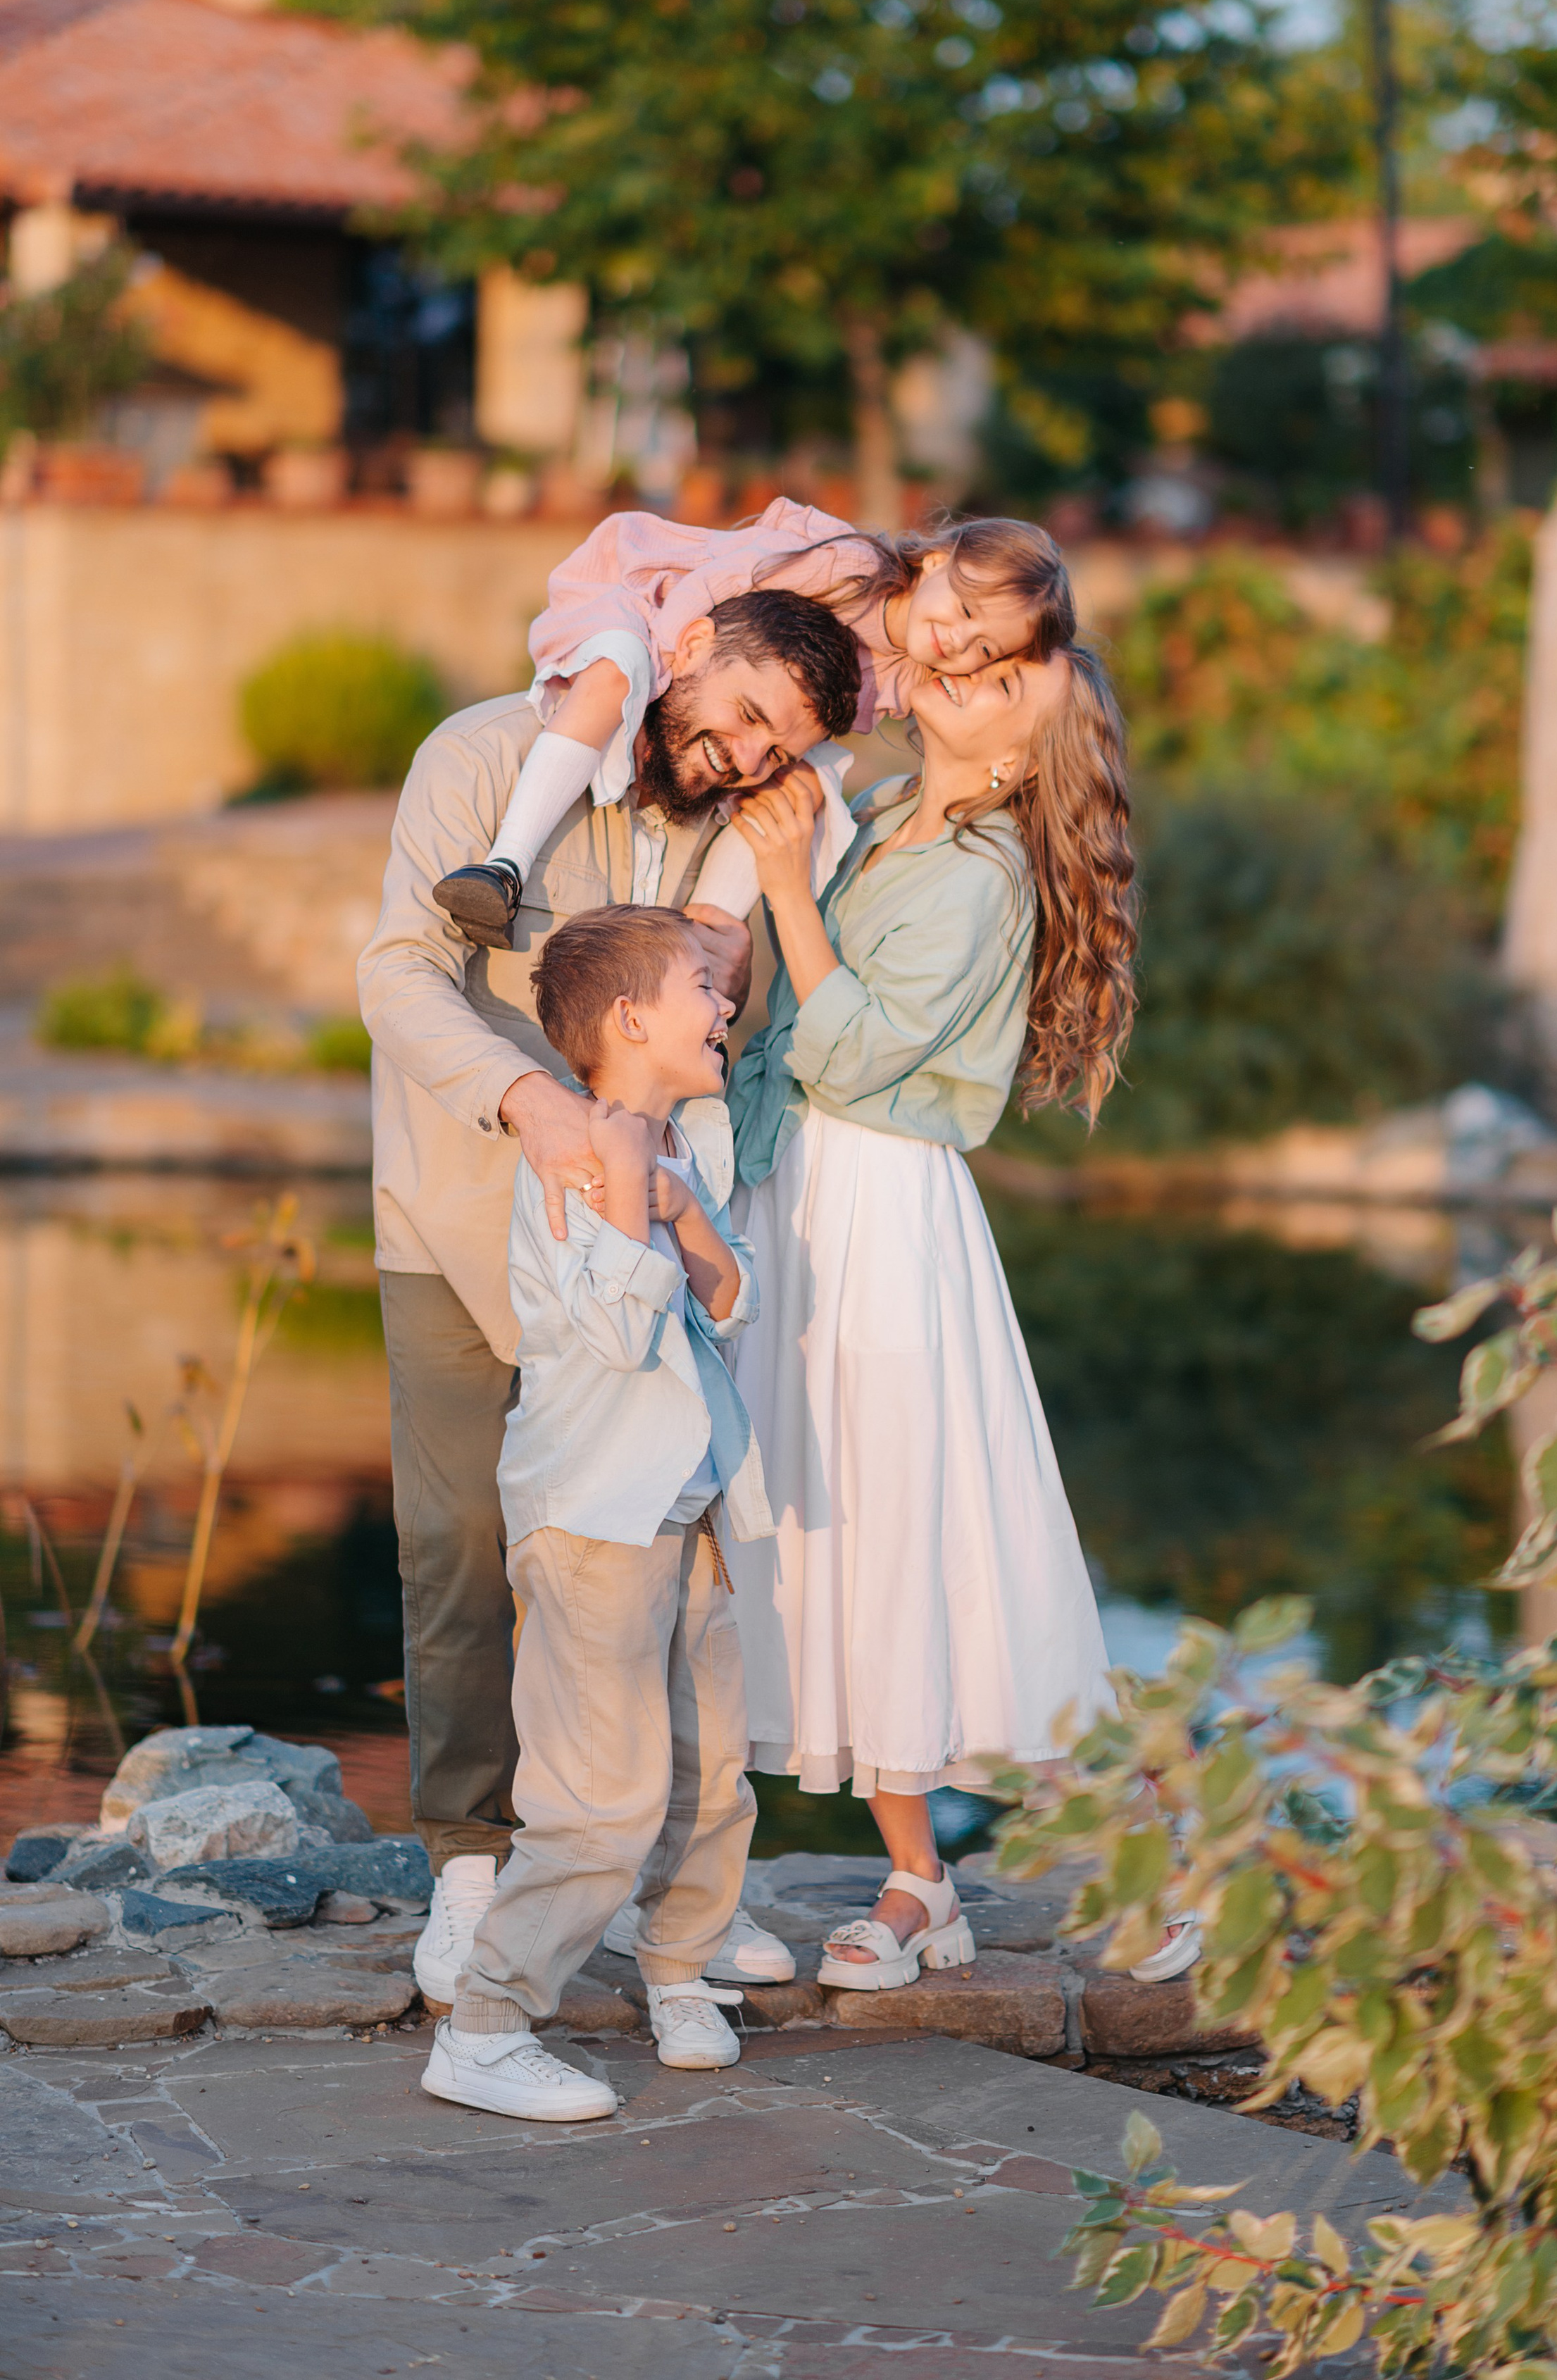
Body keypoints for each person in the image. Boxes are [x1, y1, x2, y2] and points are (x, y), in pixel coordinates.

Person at [356, 587, 863, 2010]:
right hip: (457, 1212)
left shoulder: (741, 822)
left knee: (667, 1560)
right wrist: (530, 1101)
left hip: (638, 1254)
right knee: (457, 1548)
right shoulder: (482, 754)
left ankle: (667, 1890)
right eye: (742, 711)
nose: (745, 752)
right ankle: (472, 1859)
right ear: (686, 649)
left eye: (780, 743)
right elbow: (397, 973)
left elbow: (730, 1025)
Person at [723, 640, 1139, 1988]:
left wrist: (789, 884)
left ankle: (1150, 1861)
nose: (963, 673)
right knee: (834, 1533)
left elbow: (852, 1049)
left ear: (1022, 752)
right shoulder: (891, 805)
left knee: (924, 1526)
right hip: (801, 1187)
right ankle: (922, 1878)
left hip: (886, 1206)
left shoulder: (987, 875)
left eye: (1001, 679)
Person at [424, 906, 766, 2121]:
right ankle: (485, 2024)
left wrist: (681, 1208)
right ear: (630, 1018)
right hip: (592, 1518)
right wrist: (633, 1191)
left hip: (689, 1504)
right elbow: (621, 1332)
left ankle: (677, 1968)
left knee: (710, 1770)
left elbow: (732, 1300)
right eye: (700, 987)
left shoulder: (683, 1143)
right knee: (598, 1794)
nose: (724, 1005)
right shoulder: (574, 1156)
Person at [430, 497, 1075, 949]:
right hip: (662, 609)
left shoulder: (912, 677)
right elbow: (718, 586)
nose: (958, 640)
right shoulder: (852, 569)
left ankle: (702, 941)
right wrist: (668, 673)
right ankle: (505, 865)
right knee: (620, 671)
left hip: (730, 681)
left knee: (810, 783)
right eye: (965, 609)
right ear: (936, 561)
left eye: (985, 648)